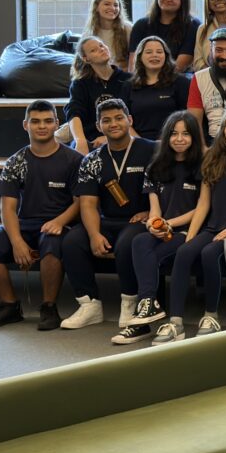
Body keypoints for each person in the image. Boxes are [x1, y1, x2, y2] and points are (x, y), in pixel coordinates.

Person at [148, 106, 226, 343]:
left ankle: (211, 316)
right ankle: (176, 323)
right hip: (212, 227)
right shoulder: (213, 158)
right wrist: (190, 236)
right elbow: (203, 203)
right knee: (184, 252)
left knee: (210, 254)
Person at [0, 100, 81, 330]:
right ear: (26, 125)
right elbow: (7, 208)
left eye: (47, 121)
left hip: (60, 224)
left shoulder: (74, 160)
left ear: (56, 124)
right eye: (35, 122)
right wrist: (17, 242)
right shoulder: (16, 161)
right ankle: (9, 306)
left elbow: (81, 203)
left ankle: (49, 307)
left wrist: (60, 221)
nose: (42, 126)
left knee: (51, 245)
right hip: (25, 224)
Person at [55, 97, 153, 330]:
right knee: (72, 241)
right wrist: (94, 235)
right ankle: (90, 304)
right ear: (99, 126)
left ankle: (130, 301)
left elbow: (167, 189)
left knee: (127, 243)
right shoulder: (92, 159)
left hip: (141, 220)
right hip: (108, 220)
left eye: (119, 118)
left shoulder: (152, 150)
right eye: (106, 120)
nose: (113, 124)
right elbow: (88, 204)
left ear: (130, 120)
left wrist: (151, 211)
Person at [113, 111, 203, 343]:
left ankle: (143, 315)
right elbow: (154, 207)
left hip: (189, 231)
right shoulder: (155, 167)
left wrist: (168, 224)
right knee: (140, 240)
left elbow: (201, 208)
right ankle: (148, 305)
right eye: (174, 133)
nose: (179, 139)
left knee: (151, 254)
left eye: (186, 134)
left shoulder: (202, 166)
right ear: (166, 136)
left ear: (194, 137)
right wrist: (155, 224)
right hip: (164, 228)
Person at [64, 35, 131, 152]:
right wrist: (80, 140)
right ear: (86, 59)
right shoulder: (80, 84)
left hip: (123, 135)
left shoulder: (128, 79)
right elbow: (74, 112)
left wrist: (109, 137)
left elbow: (134, 115)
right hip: (91, 139)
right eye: (93, 50)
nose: (101, 49)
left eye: (101, 45)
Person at [124, 35, 190, 141]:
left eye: (159, 52)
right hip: (138, 142)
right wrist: (142, 143)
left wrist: (167, 141)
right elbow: (123, 120)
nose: (155, 55)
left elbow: (187, 117)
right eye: (149, 52)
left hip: (174, 141)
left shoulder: (181, 82)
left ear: (166, 56)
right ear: (140, 56)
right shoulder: (128, 86)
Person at [128, 0, 199, 73]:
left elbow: (181, 65)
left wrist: (155, 79)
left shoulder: (193, 25)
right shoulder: (141, 25)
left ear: (182, 1)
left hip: (177, 76)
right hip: (144, 77)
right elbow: (133, 63)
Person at [80, 0, 132, 70]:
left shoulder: (128, 29)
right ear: (96, 7)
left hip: (123, 74)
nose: (112, 8)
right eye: (107, 4)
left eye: (116, 5)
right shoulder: (89, 32)